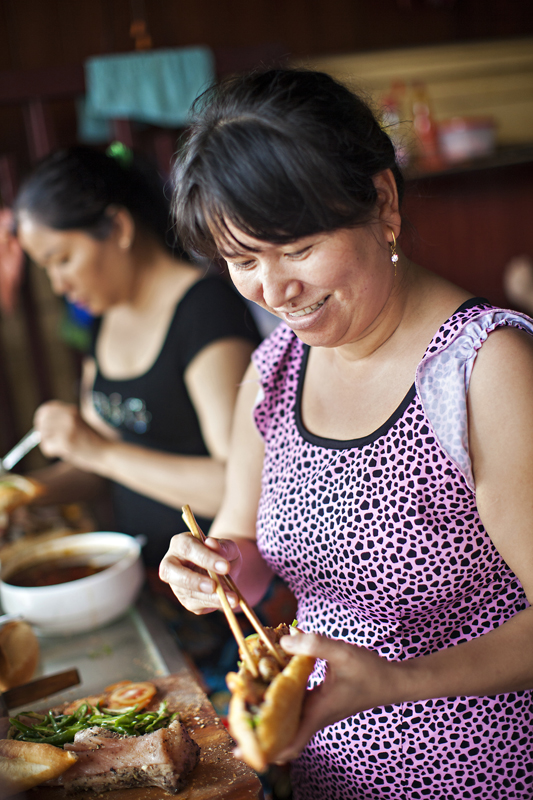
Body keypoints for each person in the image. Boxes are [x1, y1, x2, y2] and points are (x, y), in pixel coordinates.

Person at [159, 69, 533, 799]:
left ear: (382, 203)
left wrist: (394, 683)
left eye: (295, 248)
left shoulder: (484, 369)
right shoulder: (272, 370)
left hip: (481, 773)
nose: (272, 289)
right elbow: (249, 558)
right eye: (241, 261)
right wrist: (213, 567)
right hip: (327, 768)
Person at [14, 145, 260, 569]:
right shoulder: (103, 319)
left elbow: (237, 486)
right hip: (142, 571)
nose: (58, 285)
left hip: (219, 580)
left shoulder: (205, 310)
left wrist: (99, 452)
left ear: (118, 228)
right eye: (47, 269)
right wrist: (22, 491)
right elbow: (94, 462)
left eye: (63, 260)